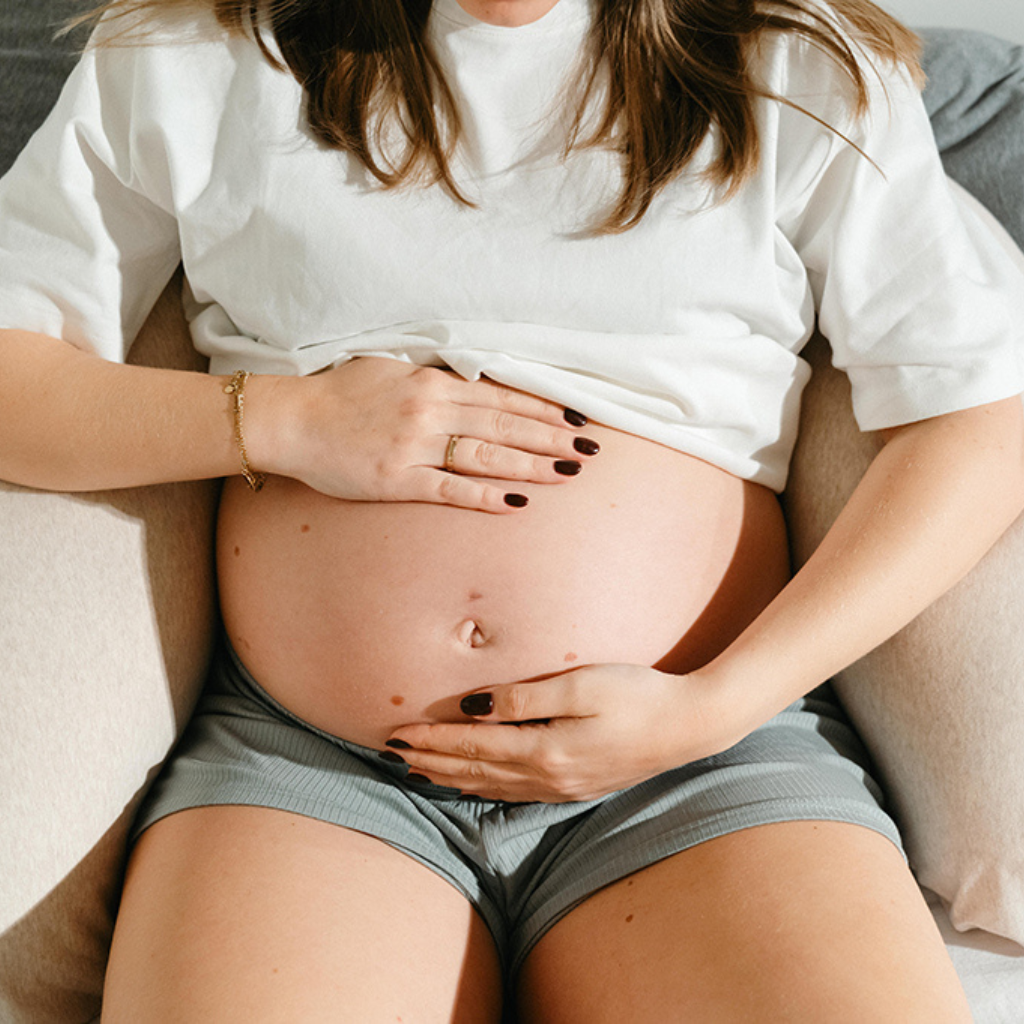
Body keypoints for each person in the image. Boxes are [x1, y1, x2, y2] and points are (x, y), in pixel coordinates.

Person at [1, 0, 1022, 1017]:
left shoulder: (791, 65)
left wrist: (717, 704)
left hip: (701, 762)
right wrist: (279, 420)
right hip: (313, 767)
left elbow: (976, 418)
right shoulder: (196, 54)